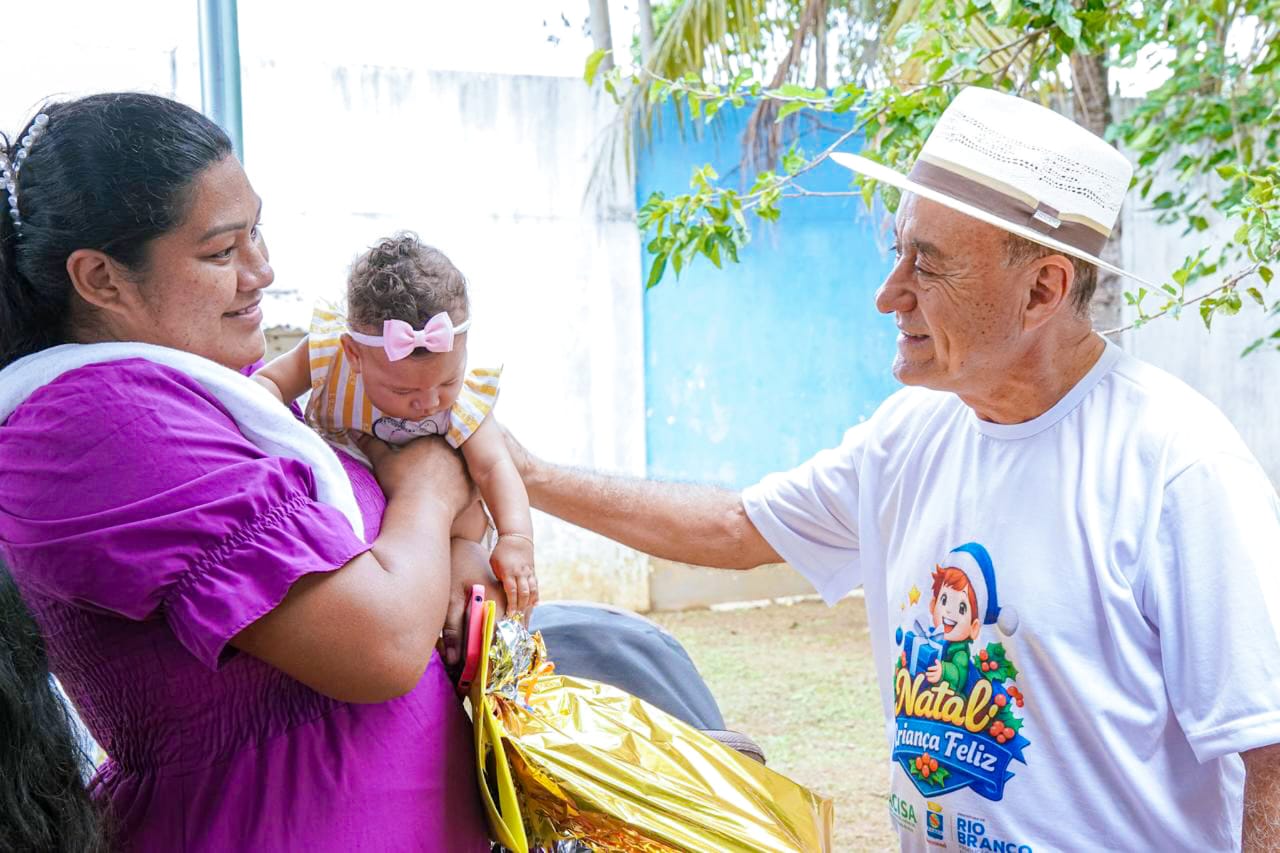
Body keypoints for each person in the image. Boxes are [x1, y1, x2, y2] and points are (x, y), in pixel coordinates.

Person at [502, 87, 1280, 851]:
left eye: (928, 267)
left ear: (1042, 289)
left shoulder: (1177, 468)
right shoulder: (909, 434)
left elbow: (1269, 754)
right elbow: (736, 526)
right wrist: (524, 473)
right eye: (897, 252)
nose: (888, 295)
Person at [0, 92, 500, 850]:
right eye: (221, 252)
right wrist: (429, 488)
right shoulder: (95, 425)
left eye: (256, 231)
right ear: (101, 278)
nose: (262, 271)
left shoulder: (206, 387)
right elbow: (383, 643)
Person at [253, 232, 538, 614]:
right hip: (370, 519)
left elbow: (494, 467)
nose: (430, 402)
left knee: (470, 575)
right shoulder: (328, 356)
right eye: (403, 390)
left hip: (451, 530)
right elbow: (268, 386)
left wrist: (516, 537)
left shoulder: (463, 405)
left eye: (448, 381)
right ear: (354, 355)